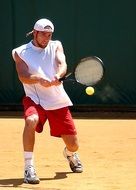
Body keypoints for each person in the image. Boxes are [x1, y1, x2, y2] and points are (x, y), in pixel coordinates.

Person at [12, 18, 83, 184]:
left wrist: (58, 75)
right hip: (34, 99)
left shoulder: (56, 45)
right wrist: (38, 79)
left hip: (57, 100)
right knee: (31, 120)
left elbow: (62, 63)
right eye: (43, 35)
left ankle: (70, 154)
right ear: (35, 33)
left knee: (73, 145)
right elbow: (23, 76)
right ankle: (29, 167)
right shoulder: (20, 52)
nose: (46, 38)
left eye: (49, 35)